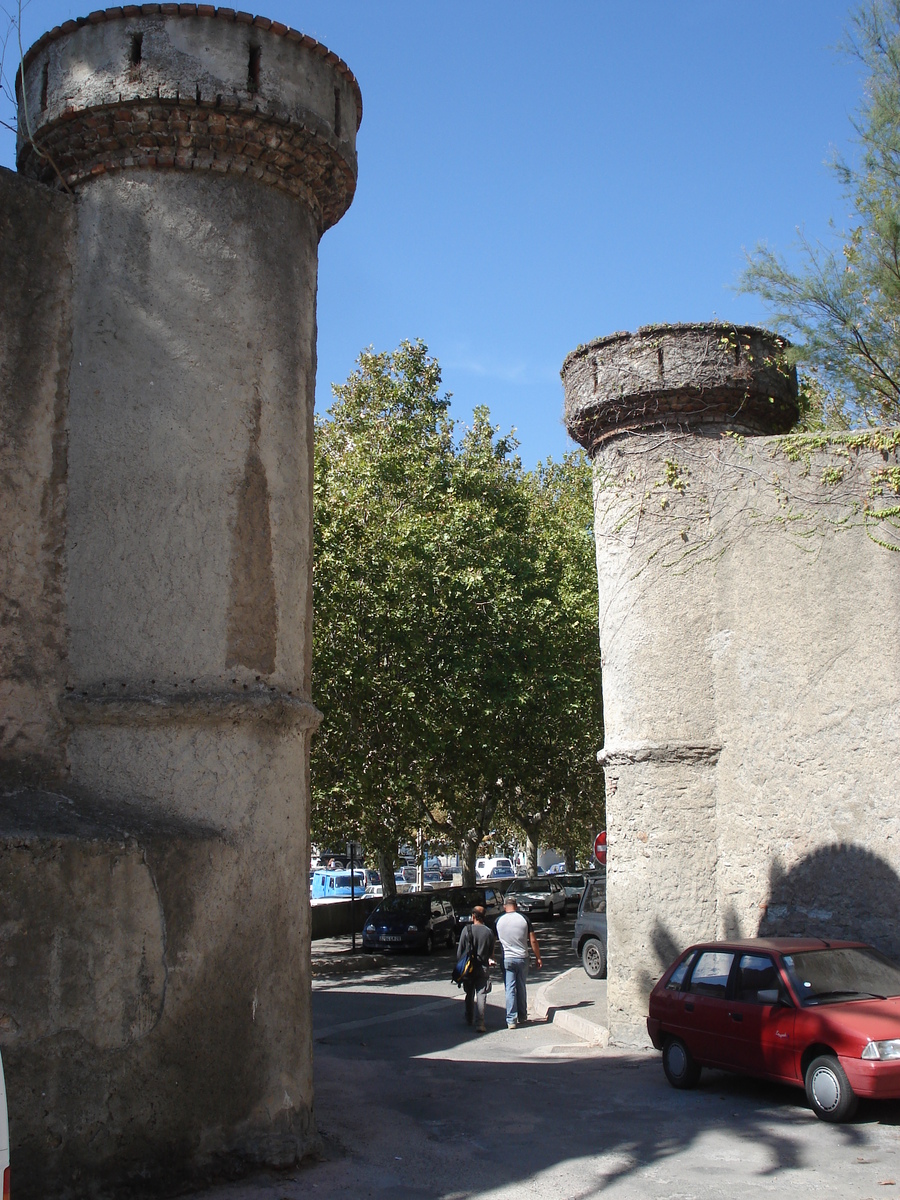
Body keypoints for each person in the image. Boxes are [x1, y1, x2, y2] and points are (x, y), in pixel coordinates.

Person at [495, 894, 542, 1029]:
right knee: (521, 986)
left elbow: (492, 940)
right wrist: (538, 957)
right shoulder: (524, 919)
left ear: (505, 907)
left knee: (510, 988)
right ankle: (522, 1016)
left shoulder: (499, 920)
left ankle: (511, 1020)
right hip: (522, 957)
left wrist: (491, 955)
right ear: (515, 906)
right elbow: (533, 940)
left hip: (507, 958)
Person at [456, 906, 495, 1033]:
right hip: (483, 966)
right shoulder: (489, 932)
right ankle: (480, 1022)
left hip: (469, 967)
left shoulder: (466, 930)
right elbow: (491, 952)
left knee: (469, 992)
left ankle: (469, 1017)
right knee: (481, 994)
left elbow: (459, 952)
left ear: (473, 916)